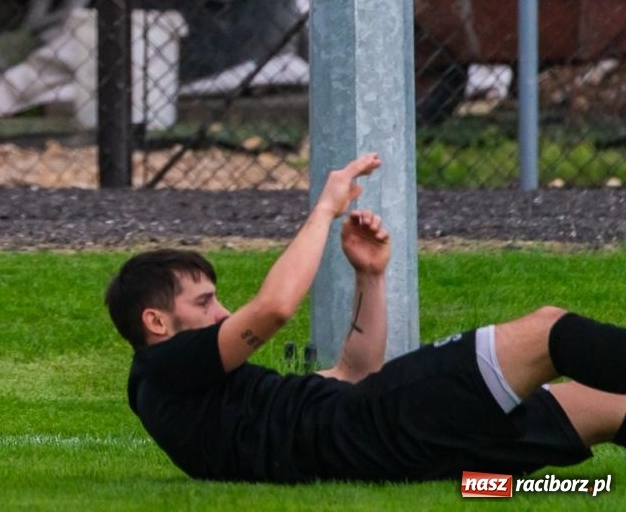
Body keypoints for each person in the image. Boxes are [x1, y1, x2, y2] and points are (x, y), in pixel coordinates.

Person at [105, 153, 626, 482]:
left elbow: (353, 373)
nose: (221, 314)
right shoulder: (162, 369)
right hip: (376, 427)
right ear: (156, 322)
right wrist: (324, 210)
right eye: (204, 303)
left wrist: (370, 276)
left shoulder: (193, 393)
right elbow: (274, 308)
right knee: (548, 331)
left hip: (384, 441)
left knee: (608, 407)